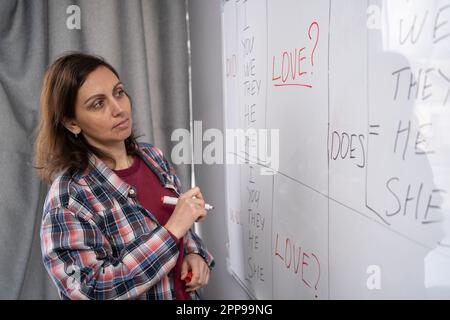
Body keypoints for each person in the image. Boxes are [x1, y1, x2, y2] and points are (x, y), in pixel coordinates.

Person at [34, 52, 214, 300]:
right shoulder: (68, 200)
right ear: (71, 123)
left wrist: (195, 253)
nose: (119, 109)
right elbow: (91, 290)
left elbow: (180, 225)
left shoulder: (153, 157)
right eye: (98, 104)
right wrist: (172, 232)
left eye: (118, 92)